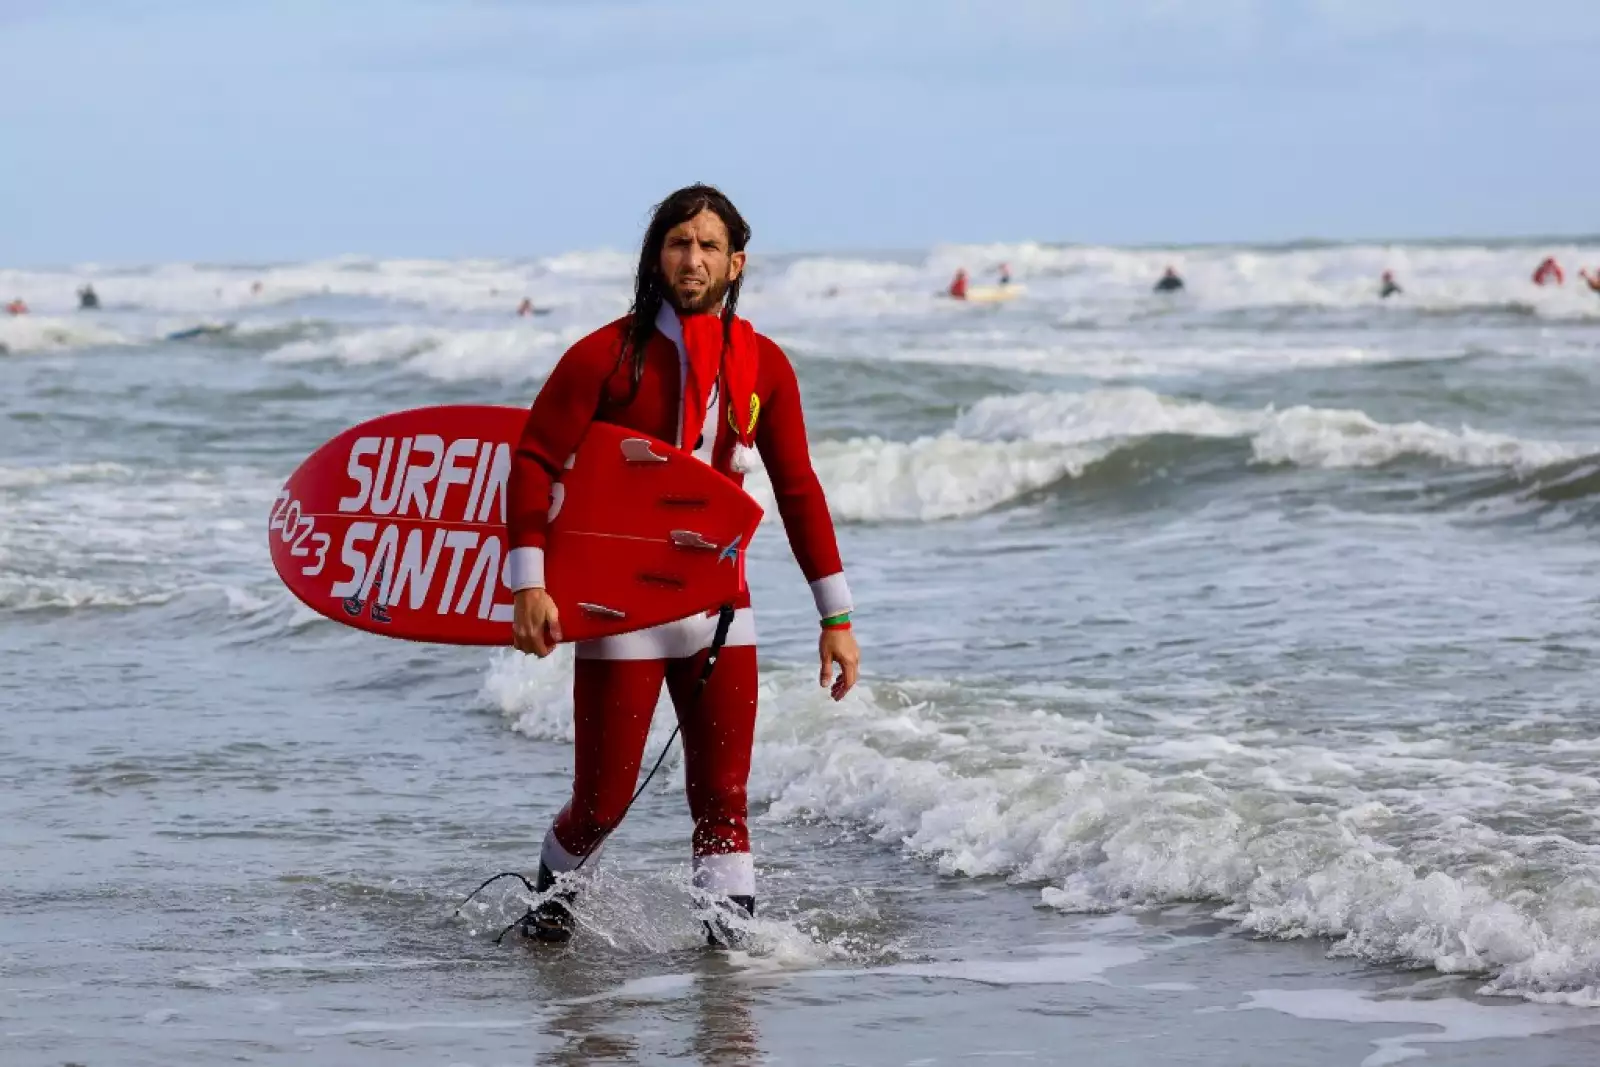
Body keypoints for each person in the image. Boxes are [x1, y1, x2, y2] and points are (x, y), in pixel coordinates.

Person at [505, 184, 861, 945]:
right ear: (655, 255)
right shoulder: (605, 355)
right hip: (617, 611)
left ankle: (729, 963)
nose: (691, 258)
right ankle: (548, 918)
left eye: (707, 245)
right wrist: (529, 583)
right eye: (677, 242)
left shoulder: (762, 364)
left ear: (737, 261)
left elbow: (798, 489)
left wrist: (835, 614)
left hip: (719, 607)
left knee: (723, 798)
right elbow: (534, 461)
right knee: (601, 802)